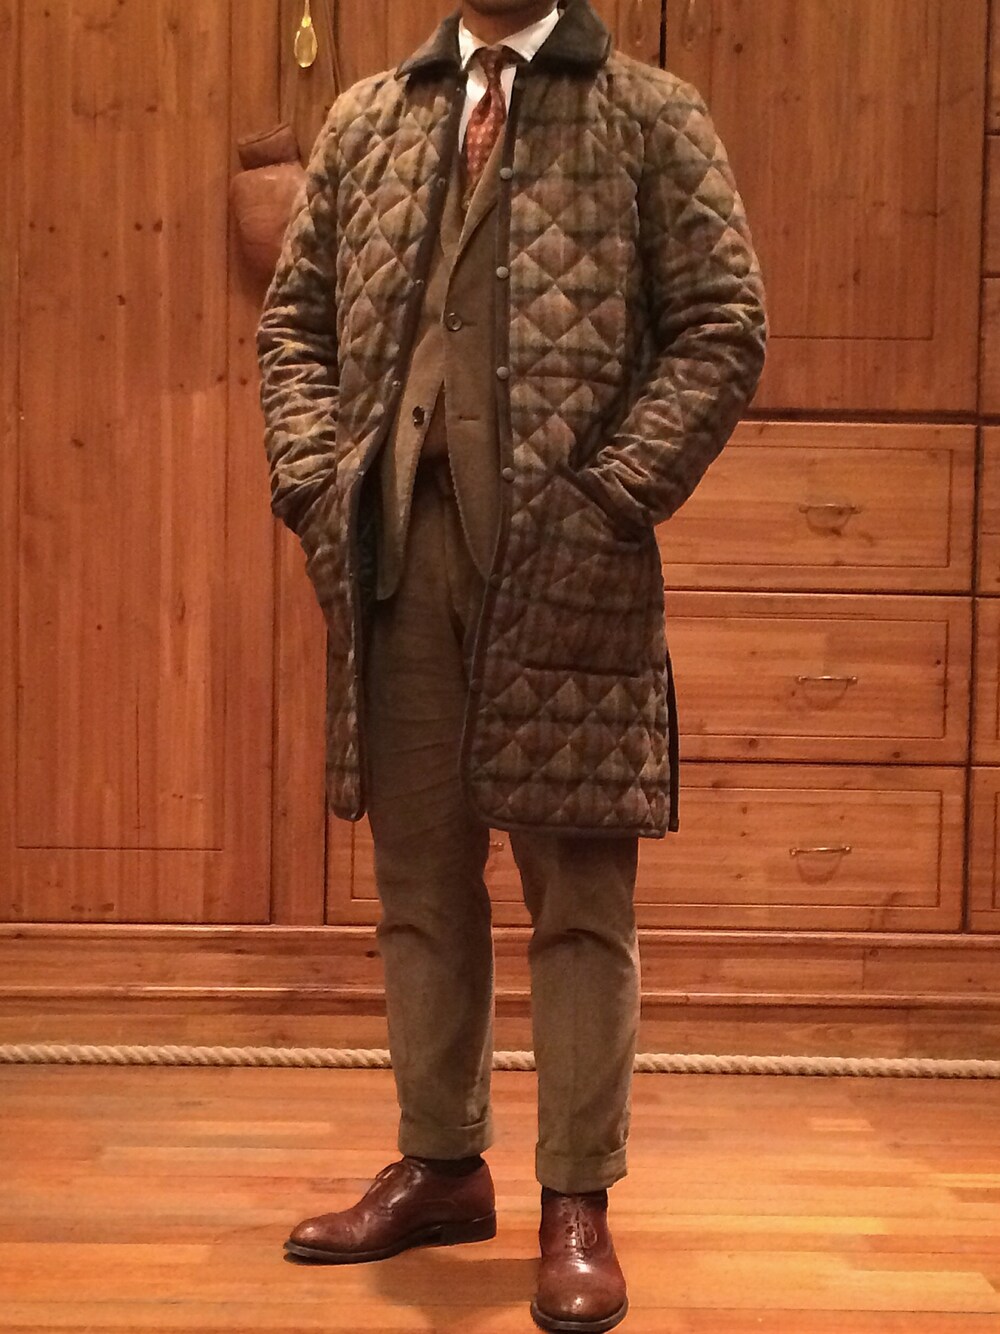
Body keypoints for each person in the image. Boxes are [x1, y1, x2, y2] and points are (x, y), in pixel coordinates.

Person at [256, 0, 767, 1327]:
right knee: (420, 883)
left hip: (570, 561)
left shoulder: (652, 115)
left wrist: (614, 497)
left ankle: (576, 1198)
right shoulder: (367, 121)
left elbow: (722, 326)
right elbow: (294, 326)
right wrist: (317, 486)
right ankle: (441, 1163)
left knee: (580, 895)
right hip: (395, 560)